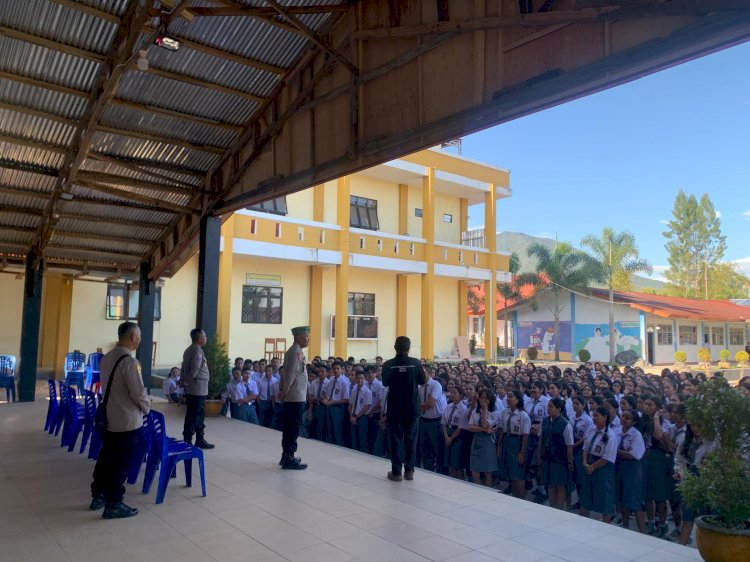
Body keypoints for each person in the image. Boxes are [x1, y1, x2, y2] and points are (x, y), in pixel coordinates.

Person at [90, 321, 150, 519]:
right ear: (133, 337)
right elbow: (138, 393)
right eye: (139, 336)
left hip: (109, 417)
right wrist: (147, 408)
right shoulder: (129, 363)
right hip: (126, 421)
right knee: (121, 462)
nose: (140, 340)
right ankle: (114, 502)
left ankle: (97, 495)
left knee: (106, 457)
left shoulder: (106, 358)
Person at [381, 336, 426, 482]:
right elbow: (423, 380)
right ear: (409, 347)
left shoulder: (388, 364)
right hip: (412, 407)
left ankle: (396, 472)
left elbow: (384, 382)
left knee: (395, 439)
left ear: (395, 347)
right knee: (411, 439)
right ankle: (410, 470)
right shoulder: (415, 363)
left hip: (395, 408)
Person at [278, 325, 310, 470]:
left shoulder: (295, 351)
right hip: (294, 396)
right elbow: (290, 375)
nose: (308, 339)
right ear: (298, 337)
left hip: (295, 396)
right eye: (306, 336)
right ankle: (288, 458)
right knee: (293, 428)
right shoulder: (296, 352)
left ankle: (286, 455)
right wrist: (284, 391)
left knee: (290, 427)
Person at [537, 398, 574, 510]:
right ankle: (552, 507)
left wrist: (569, 461)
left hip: (560, 460)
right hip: (547, 458)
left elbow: (569, 445)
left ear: (559, 409)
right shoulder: (545, 421)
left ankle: (559, 509)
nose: (548, 409)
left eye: (551, 406)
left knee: (560, 486)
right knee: (550, 484)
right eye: (548, 406)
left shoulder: (565, 424)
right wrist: (539, 457)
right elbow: (541, 440)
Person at [182, 328, 214, 449]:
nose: (206, 338)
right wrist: (185, 381)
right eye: (204, 336)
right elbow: (194, 370)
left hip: (194, 388)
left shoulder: (189, 350)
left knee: (192, 414)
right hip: (197, 389)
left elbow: (185, 368)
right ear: (200, 338)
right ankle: (194, 440)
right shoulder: (197, 352)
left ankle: (190, 439)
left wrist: (184, 382)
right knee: (197, 415)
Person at [348, 370, 372, 452]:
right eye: (358, 378)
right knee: (354, 439)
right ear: (355, 379)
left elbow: (366, 407)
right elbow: (350, 404)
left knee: (362, 439)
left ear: (364, 379)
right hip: (353, 417)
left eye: (361, 378)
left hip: (362, 417)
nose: (359, 380)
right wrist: (351, 416)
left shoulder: (367, 392)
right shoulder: (353, 390)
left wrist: (356, 417)